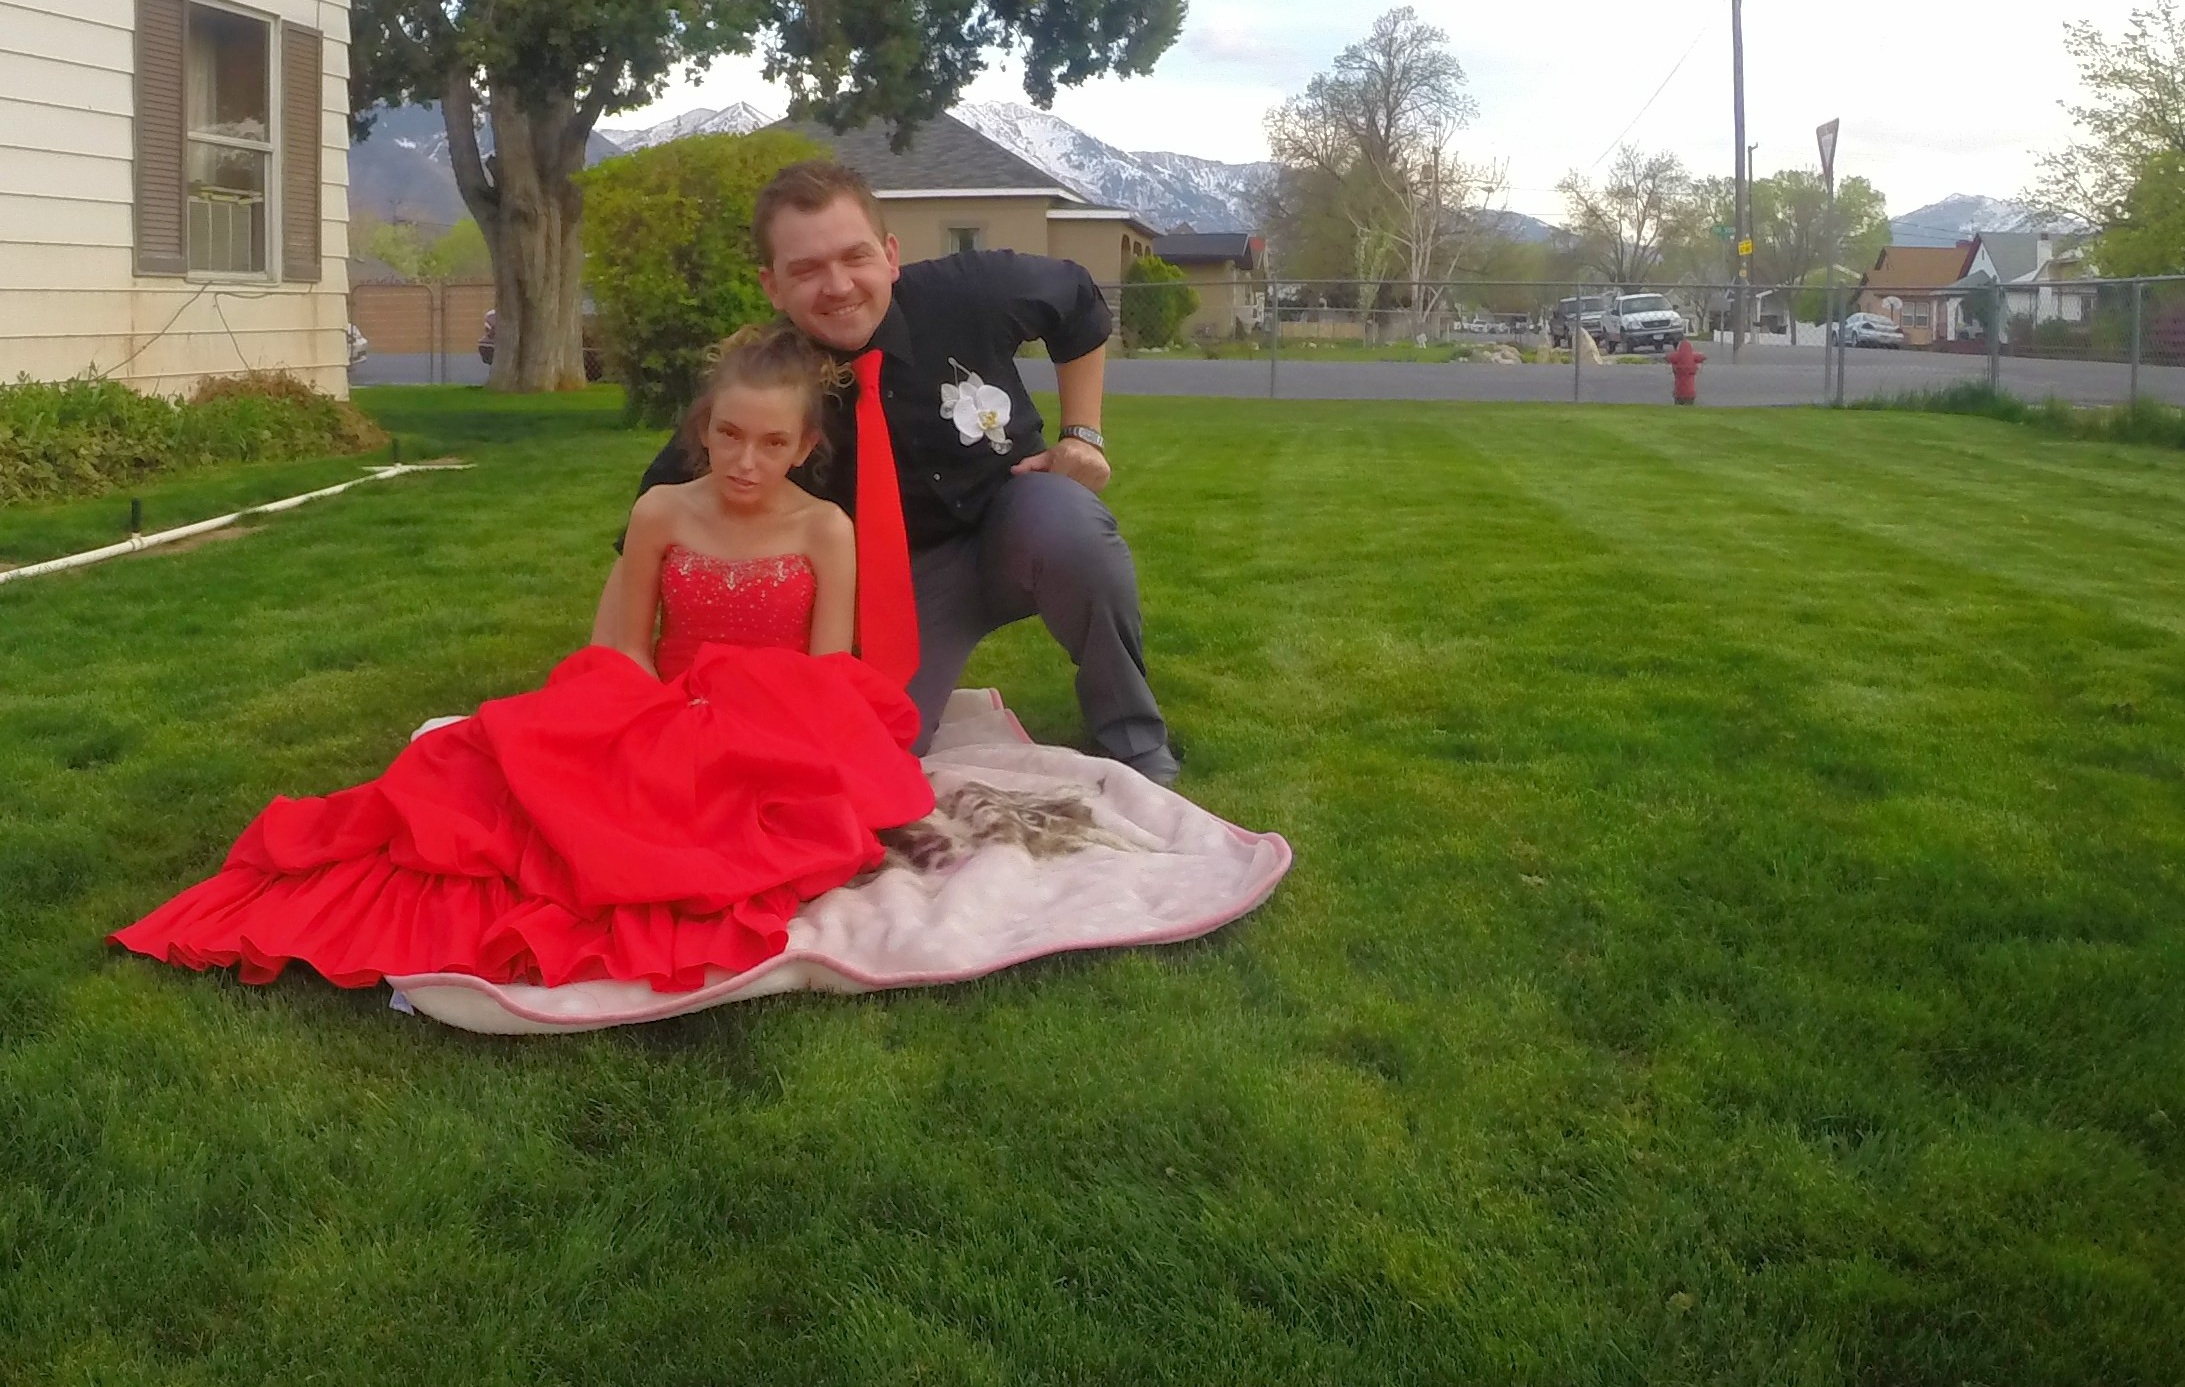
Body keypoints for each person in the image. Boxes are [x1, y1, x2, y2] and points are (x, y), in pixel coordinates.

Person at [111, 324, 935, 994]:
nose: (745, 461)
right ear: (702, 428)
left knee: (743, 833)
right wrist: (648, 719)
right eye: (727, 434)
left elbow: (826, 672)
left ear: (803, 445)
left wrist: (739, 737)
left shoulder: (826, 528)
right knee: (487, 790)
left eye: (770, 441)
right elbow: (619, 639)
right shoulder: (661, 510)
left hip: (769, 724)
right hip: (654, 702)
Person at [598, 160, 1181, 786]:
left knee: (1071, 526)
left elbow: (1078, 298)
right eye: (806, 269)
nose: (839, 285)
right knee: (876, 751)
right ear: (772, 286)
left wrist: (1082, 434)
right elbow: (659, 514)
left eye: (855, 257)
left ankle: (1135, 742)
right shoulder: (775, 386)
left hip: (1016, 519)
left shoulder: (967, 294)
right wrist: (618, 680)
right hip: (902, 587)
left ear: (891, 254)